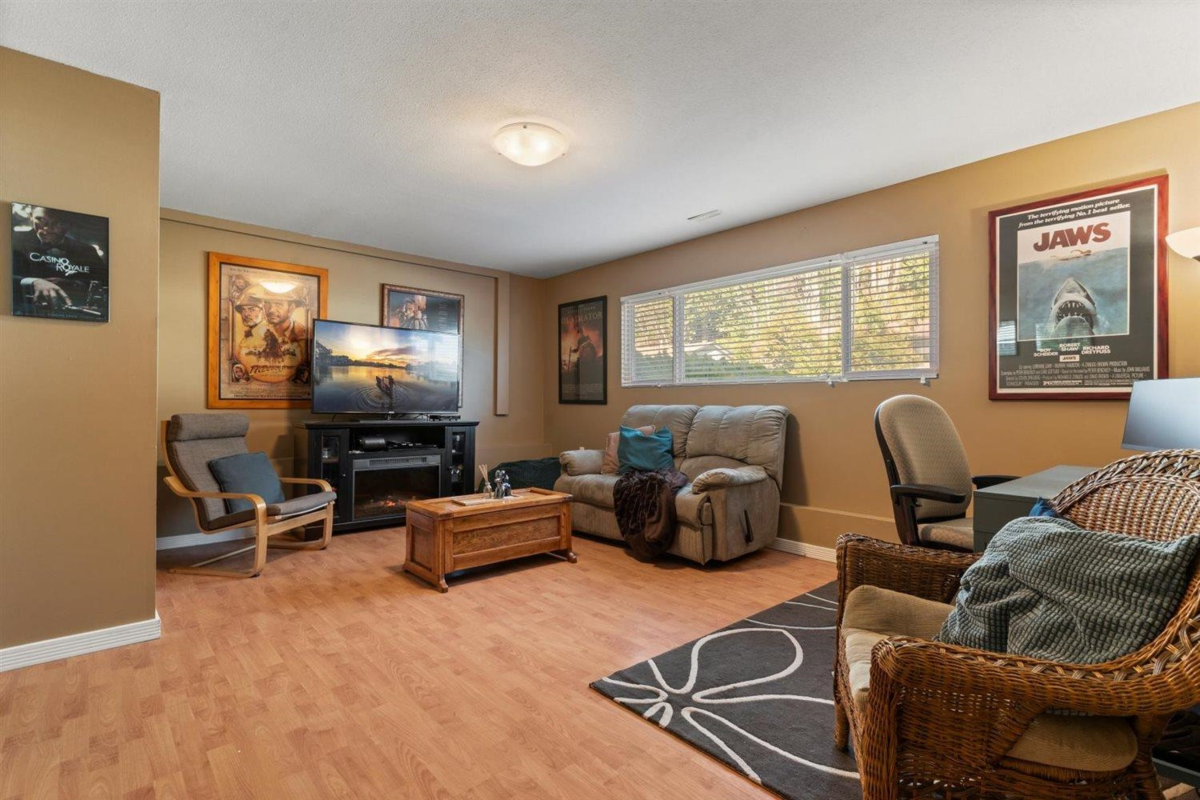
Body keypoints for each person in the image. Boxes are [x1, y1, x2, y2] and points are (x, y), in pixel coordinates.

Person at [12, 206, 108, 317]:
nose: (47, 228)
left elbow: (105, 283)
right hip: (24, 313)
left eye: (57, 223)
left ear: (69, 225)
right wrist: (33, 282)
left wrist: (76, 285)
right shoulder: (12, 240)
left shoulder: (87, 250)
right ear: (31, 217)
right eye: (41, 220)